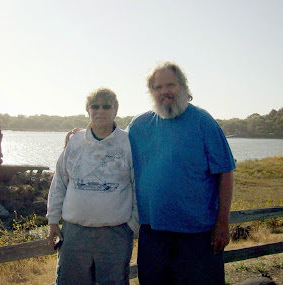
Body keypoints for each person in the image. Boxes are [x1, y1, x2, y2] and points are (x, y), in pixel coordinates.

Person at [127, 62, 236, 285]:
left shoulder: (203, 121)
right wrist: (81, 136)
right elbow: (111, 147)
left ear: (183, 87)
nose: (164, 91)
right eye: (158, 87)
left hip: (198, 235)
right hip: (153, 233)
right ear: (151, 92)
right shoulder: (138, 126)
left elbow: (225, 172)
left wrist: (223, 223)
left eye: (170, 85)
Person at [46, 88, 139, 285]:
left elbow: (137, 186)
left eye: (107, 106)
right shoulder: (74, 141)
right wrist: (53, 219)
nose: (100, 111)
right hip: (74, 233)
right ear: (87, 109)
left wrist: (133, 225)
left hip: (116, 234)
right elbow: (59, 182)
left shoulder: (128, 143)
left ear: (116, 110)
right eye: (95, 106)